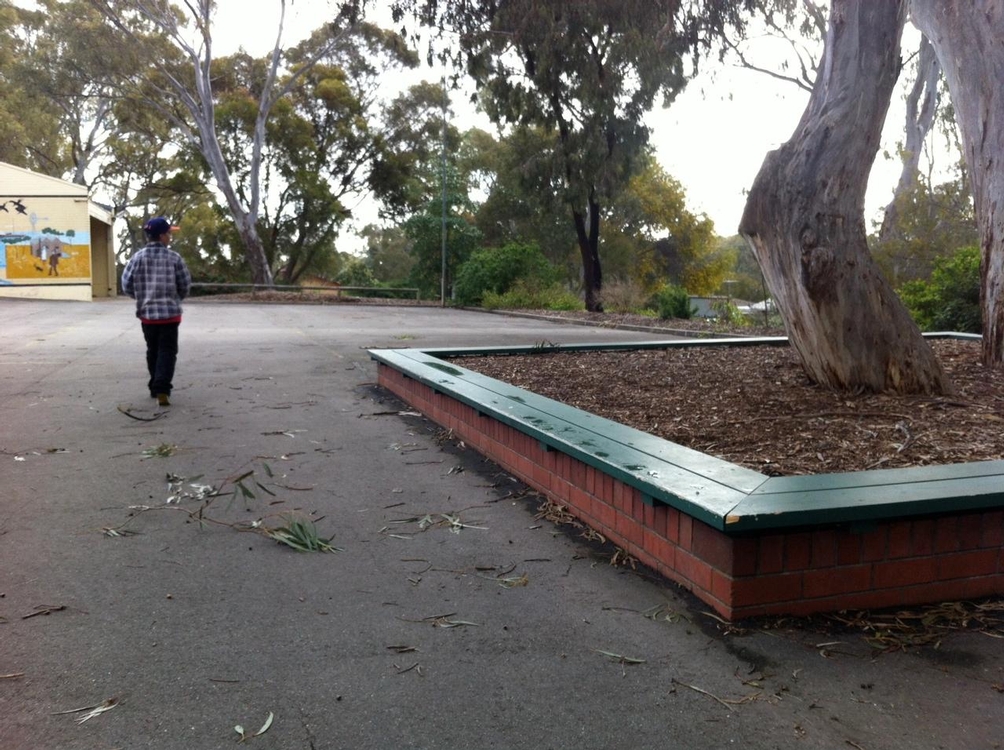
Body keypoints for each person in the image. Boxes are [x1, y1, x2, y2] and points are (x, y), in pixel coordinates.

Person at [121, 217, 191, 407]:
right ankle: (162, 387)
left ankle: (154, 386)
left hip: (147, 316)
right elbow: (185, 284)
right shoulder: (174, 258)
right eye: (169, 233)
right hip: (170, 315)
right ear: (161, 236)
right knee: (168, 351)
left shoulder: (137, 258)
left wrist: (142, 297)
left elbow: (126, 284)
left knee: (152, 350)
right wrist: (176, 298)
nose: (170, 237)